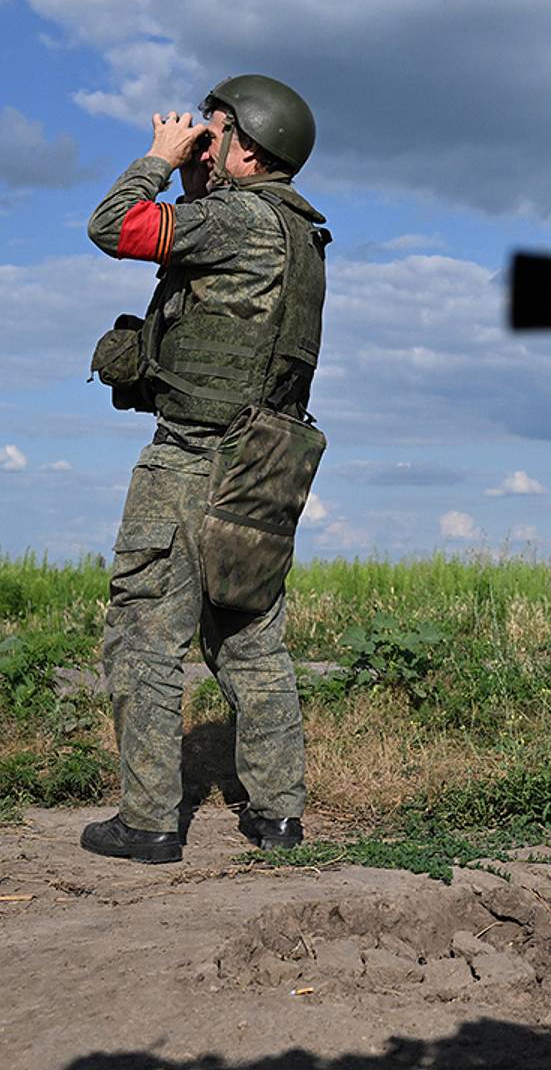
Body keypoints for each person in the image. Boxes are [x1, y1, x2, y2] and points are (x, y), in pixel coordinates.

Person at [80, 75, 330, 863]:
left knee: (146, 636)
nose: (196, 134)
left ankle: (149, 822)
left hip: (194, 458)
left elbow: (114, 227)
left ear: (249, 148)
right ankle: (278, 817)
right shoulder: (300, 233)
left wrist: (157, 158)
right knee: (250, 639)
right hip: (264, 459)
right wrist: (196, 171)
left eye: (211, 128)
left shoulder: (230, 220)